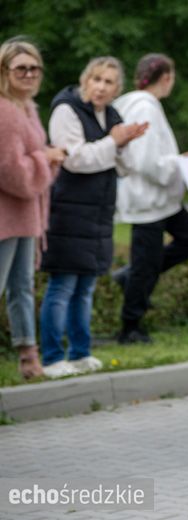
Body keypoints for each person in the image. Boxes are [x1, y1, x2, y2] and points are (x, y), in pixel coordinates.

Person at [39, 56, 147, 378]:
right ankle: (53, 357)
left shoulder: (112, 115)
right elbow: (77, 160)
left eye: (109, 82)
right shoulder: (66, 110)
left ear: (117, 88)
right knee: (62, 285)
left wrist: (125, 143)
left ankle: (81, 353)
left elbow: (126, 167)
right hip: (68, 211)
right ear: (85, 80)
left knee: (86, 286)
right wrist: (114, 141)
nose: (101, 87)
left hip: (99, 214)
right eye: (96, 79)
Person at [112, 53, 188, 344]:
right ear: (166, 78)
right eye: (172, 78)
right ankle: (130, 328)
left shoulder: (143, 105)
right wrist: (180, 162)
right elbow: (146, 162)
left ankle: (127, 277)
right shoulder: (145, 108)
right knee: (145, 265)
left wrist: (179, 161)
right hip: (148, 200)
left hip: (160, 199)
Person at [0, 37, 66, 379]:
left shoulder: (27, 107)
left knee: (22, 287)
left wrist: (42, 157)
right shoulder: (5, 111)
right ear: (4, 71)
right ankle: (28, 358)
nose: (28, 74)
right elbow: (10, 170)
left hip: (25, 216)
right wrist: (47, 158)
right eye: (20, 68)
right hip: (6, 216)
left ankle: (28, 357)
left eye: (34, 68)